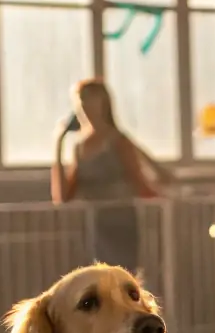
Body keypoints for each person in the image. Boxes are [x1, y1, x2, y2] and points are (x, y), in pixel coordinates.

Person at [50, 79, 171, 269]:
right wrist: (59, 143)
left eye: (91, 99)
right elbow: (63, 197)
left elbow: (139, 181)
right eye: (81, 100)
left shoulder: (118, 141)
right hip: (95, 224)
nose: (85, 105)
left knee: (122, 274)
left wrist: (165, 200)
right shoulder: (79, 147)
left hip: (121, 221)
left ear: (104, 103)